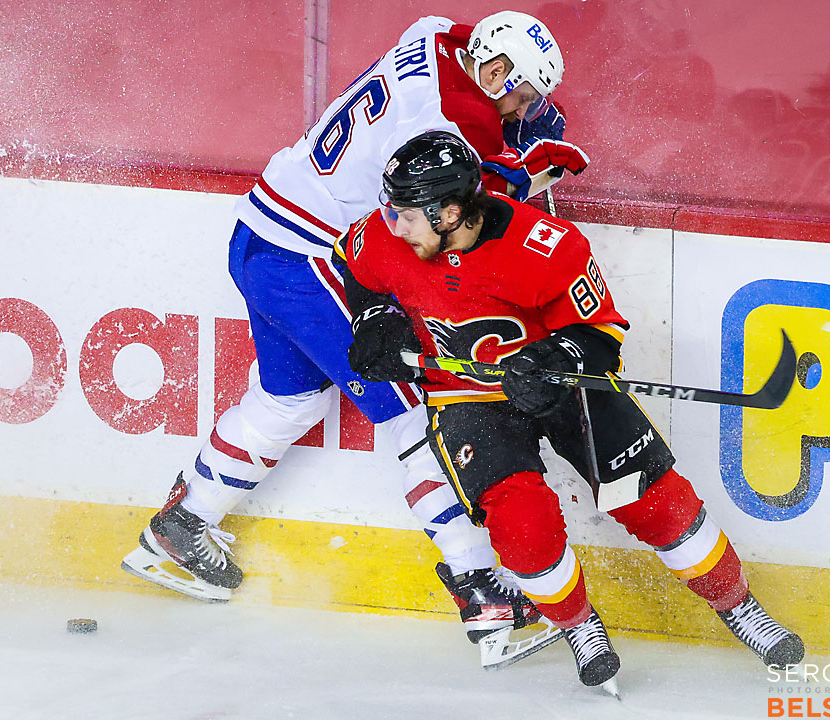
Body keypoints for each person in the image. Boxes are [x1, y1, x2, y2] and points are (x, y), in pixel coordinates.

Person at [121, 11, 588, 662]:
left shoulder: (434, 33)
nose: (522, 106)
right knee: (419, 411)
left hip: (259, 233)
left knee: (290, 398)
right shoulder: (455, 127)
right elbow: (448, 212)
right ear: (496, 68)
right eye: (522, 93)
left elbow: (440, 81)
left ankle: (183, 525)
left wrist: (501, 145)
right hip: (309, 259)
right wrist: (520, 169)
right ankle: (483, 592)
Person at [334, 130, 805, 688]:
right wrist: (371, 319)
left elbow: (601, 333)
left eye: (407, 214)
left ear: (450, 212)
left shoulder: (545, 246)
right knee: (521, 525)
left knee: (656, 502)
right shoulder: (385, 239)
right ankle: (578, 625)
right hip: (468, 394)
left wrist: (553, 356)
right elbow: (352, 263)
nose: (393, 224)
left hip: (564, 382)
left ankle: (738, 606)